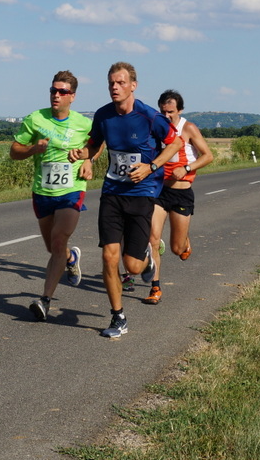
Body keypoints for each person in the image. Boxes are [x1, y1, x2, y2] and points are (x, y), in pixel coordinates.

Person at [67, 62, 180, 338]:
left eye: (120, 83)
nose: (114, 88)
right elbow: (95, 142)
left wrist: (151, 167)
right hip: (113, 192)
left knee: (133, 266)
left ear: (133, 85)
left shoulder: (149, 116)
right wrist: (84, 154)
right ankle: (118, 317)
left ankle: (146, 258)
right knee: (108, 256)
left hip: (142, 193)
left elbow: (175, 143)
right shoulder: (104, 115)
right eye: (110, 83)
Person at [10, 70, 93, 321]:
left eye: (62, 92)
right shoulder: (35, 119)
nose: (56, 95)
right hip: (43, 191)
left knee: (58, 240)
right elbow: (14, 151)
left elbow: (96, 144)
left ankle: (45, 300)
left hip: (72, 189)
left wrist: (89, 160)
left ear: (73, 97)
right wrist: (34, 148)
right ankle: (71, 257)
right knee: (53, 248)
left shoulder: (83, 123)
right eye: (53, 90)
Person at [143, 90, 214, 305]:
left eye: (171, 112)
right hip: (159, 191)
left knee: (177, 249)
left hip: (182, 193)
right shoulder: (157, 128)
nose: (166, 117)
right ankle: (155, 288)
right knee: (152, 239)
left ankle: (185, 242)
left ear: (180, 110)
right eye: (163, 112)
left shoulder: (188, 128)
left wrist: (187, 167)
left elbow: (208, 156)